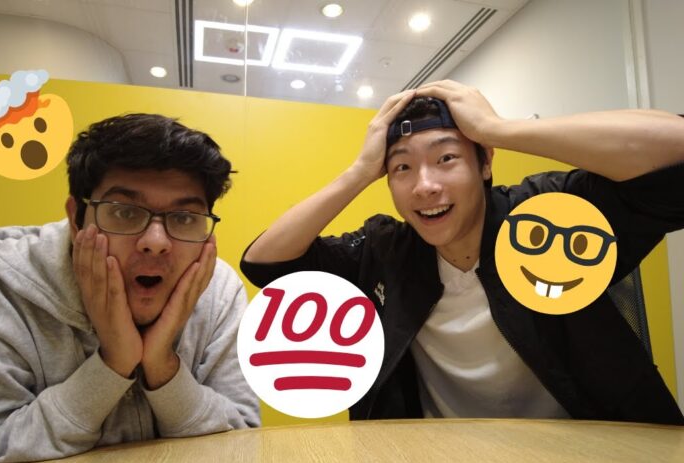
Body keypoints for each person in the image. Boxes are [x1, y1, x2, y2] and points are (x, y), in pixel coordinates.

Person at [240, 80, 684, 424]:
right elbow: (267, 264)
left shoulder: (545, 216)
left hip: (586, 454)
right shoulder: (386, 250)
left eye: (446, 158)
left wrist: (497, 129)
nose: (425, 185)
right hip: (441, 458)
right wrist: (359, 171)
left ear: (484, 162)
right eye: (402, 167)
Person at [0, 114, 260, 463]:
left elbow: (244, 438)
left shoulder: (219, 292)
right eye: (124, 212)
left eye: (184, 218)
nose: (156, 242)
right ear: (77, 218)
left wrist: (162, 366)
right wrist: (113, 365)